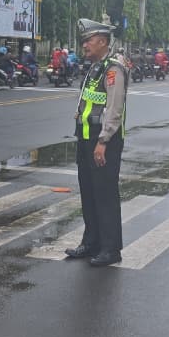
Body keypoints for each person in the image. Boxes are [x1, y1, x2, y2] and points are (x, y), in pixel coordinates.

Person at [65, 18, 129, 267]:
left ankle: (111, 249)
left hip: (104, 141)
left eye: (88, 40)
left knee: (105, 195)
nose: (84, 45)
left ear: (102, 41)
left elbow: (114, 108)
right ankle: (91, 242)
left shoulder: (113, 69)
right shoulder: (95, 68)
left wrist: (103, 141)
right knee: (89, 193)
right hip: (85, 138)